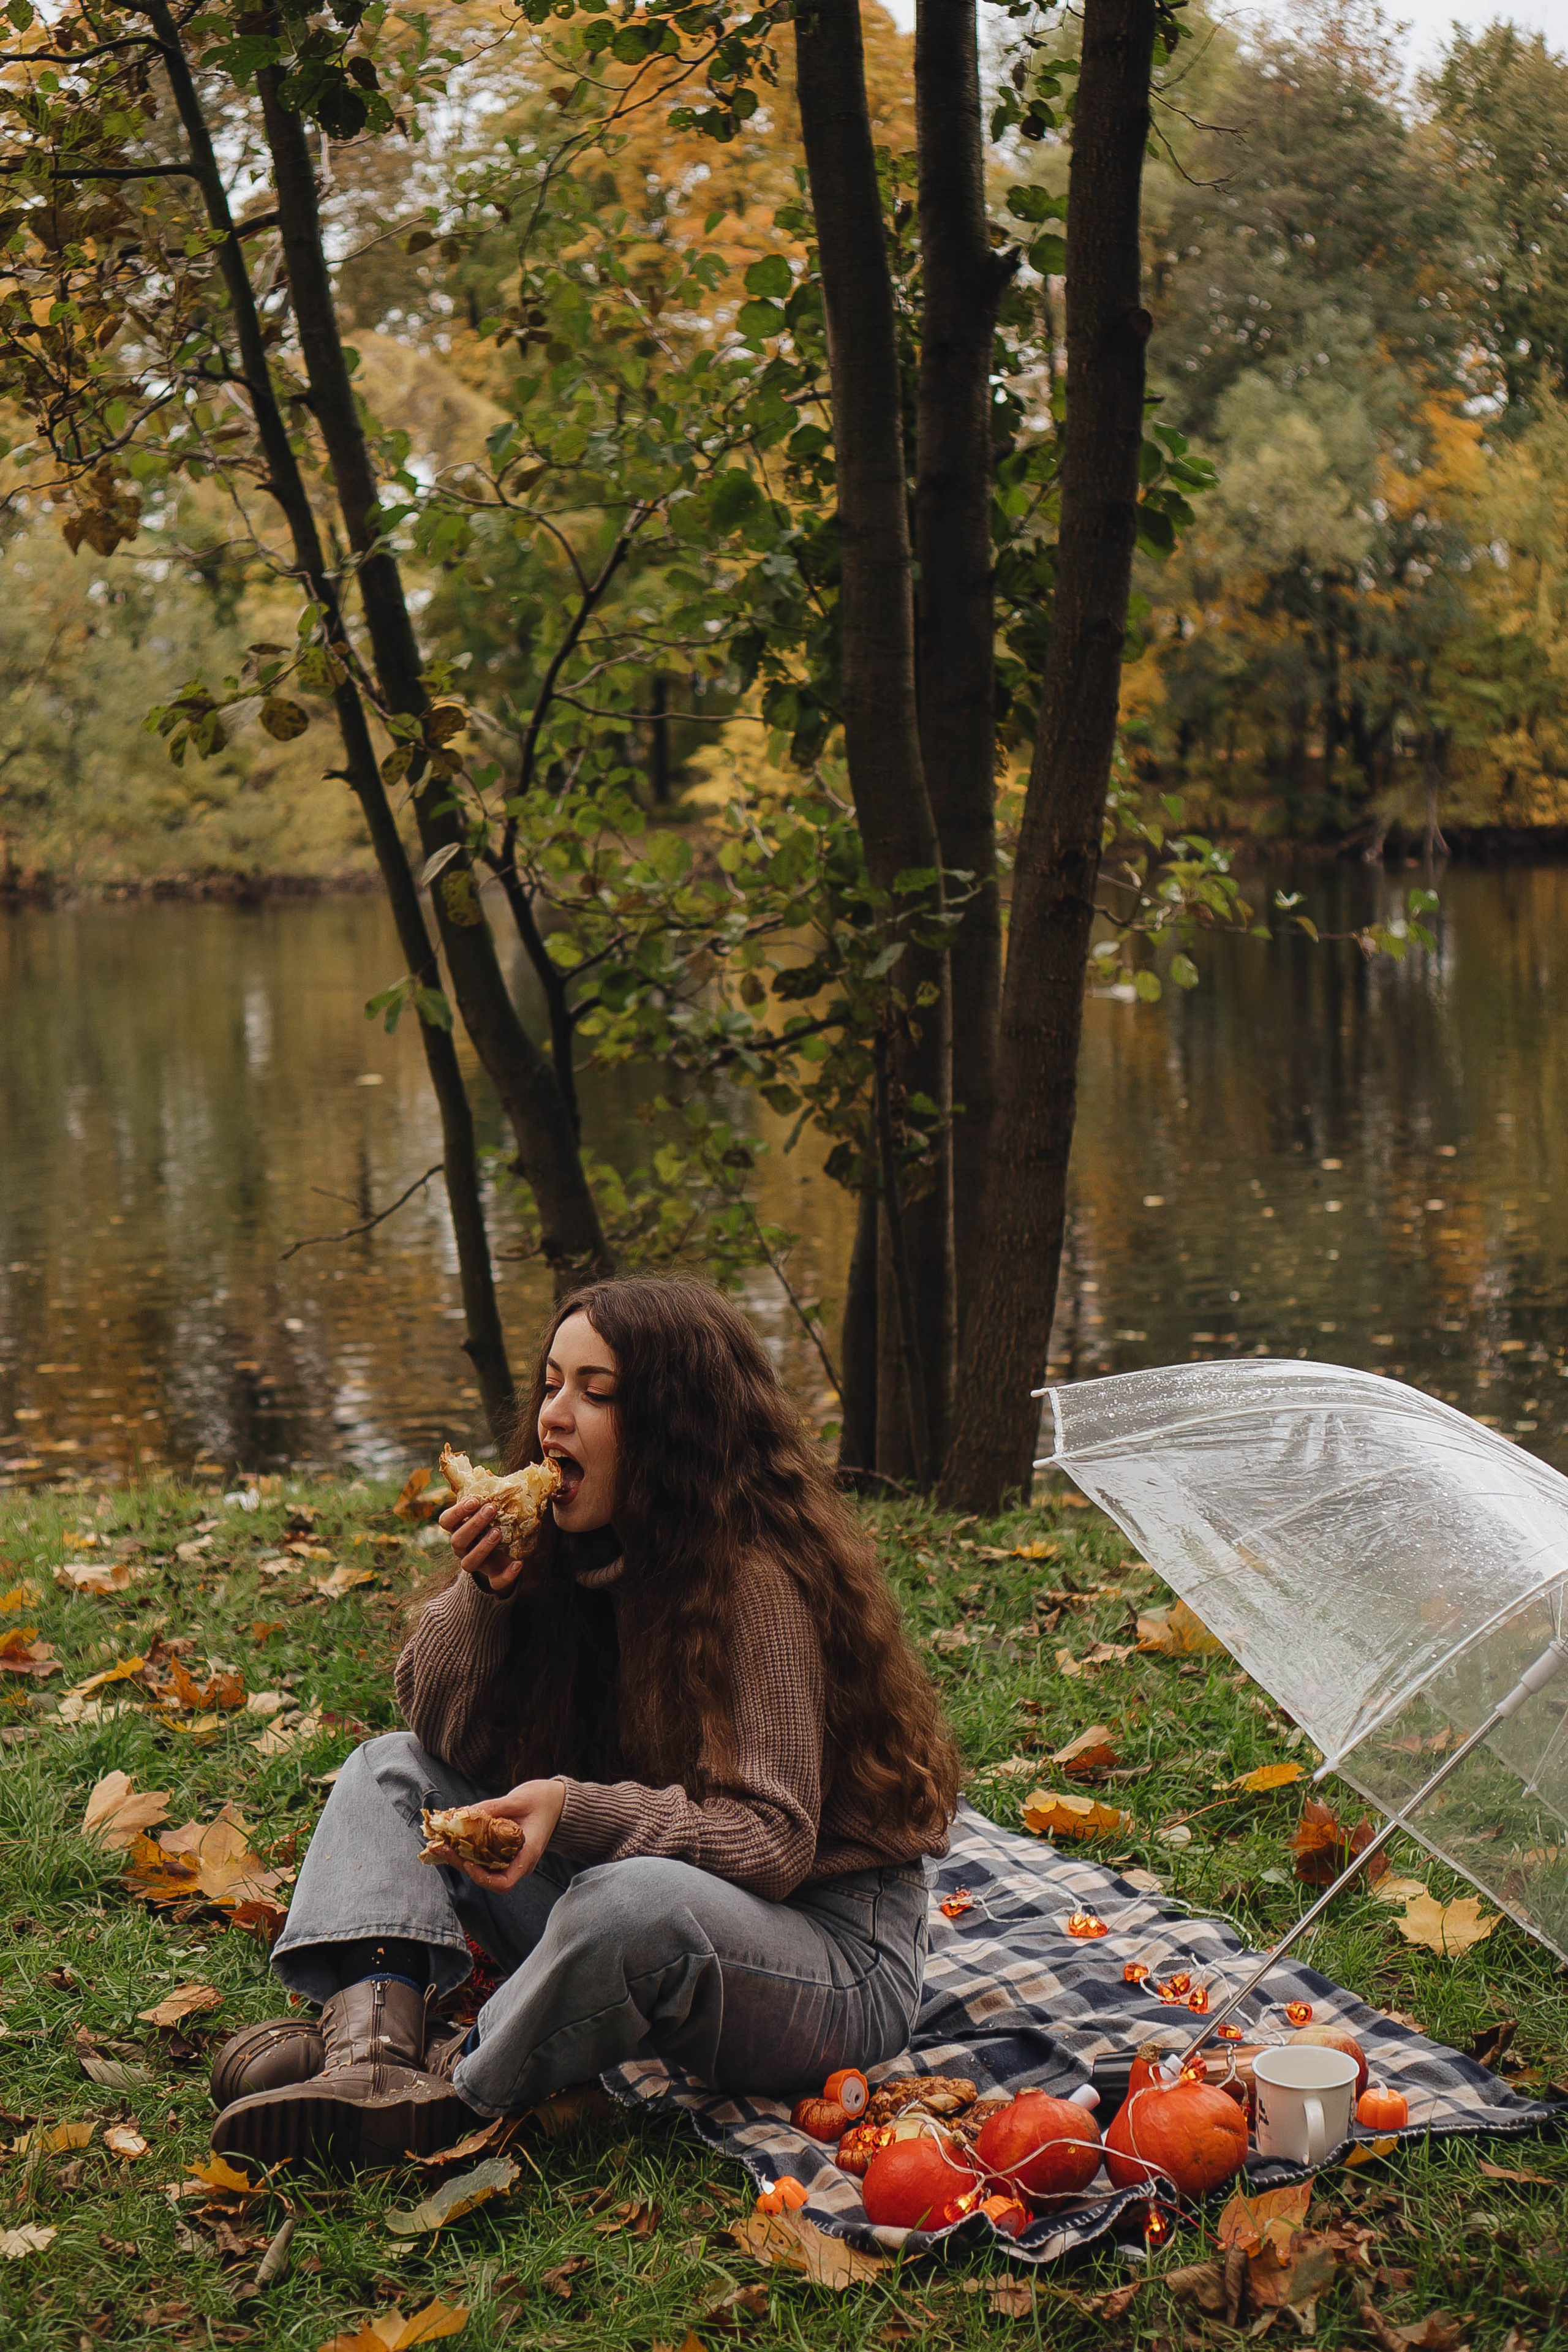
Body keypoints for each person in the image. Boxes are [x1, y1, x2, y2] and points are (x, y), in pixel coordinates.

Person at [208, 1275, 961, 2168]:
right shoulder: (568, 1553)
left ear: (675, 1428)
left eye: (596, 1394)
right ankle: (371, 2053)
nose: (555, 1418)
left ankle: (461, 2088)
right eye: (552, 1385)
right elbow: (444, 1737)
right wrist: (484, 1596)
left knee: (630, 1899)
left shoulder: (752, 1582)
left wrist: (575, 1809)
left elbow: (773, 1845)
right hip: (647, 1910)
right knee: (389, 1771)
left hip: (825, 1955)